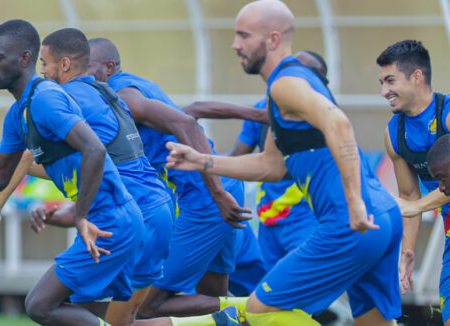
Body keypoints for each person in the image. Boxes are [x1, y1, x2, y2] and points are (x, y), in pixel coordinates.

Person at [166, 1, 402, 324]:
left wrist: (353, 202)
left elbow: (340, 124)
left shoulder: (283, 84)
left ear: (273, 39)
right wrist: (202, 161)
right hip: (382, 217)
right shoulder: (284, 87)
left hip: (351, 221)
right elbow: (271, 166)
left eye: (243, 36)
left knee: (260, 310)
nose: (235, 45)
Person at [0, 19, 144, 325]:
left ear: (25, 58)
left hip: (112, 220)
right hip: (111, 219)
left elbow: (95, 149)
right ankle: (214, 319)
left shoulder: (46, 98)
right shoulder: (19, 113)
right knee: (100, 315)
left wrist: (81, 215)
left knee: (40, 305)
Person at [88, 38, 251, 318]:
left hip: (208, 196)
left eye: (84, 67)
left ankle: (264, 306)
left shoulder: (122, 94)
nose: (77, 76)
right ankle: (259, 311)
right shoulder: (130, 86)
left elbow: (186, 122)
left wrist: (217, 194)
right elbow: (192, 111)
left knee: (148, 307)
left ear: (109, 67)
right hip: (219, 187)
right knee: (214, 299)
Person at [183, 50, 327, 281]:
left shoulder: (324, 114)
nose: (294, 75)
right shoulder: (264, 107)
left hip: (308, 213)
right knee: (269, 290)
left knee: (299, 286)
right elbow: (238, 156)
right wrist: (199, 153)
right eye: (291, 68)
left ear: (320, 82)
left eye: (305, 71)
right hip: (269, 216)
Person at [377, 40, 450, 325]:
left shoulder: (447, 113)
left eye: (390, 80)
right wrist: (406, 254)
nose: (384, 91)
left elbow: (412, 205)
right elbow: (409, 199)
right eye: (382, 82)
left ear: (417, 77)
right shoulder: (394, 134)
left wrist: (415, 206)